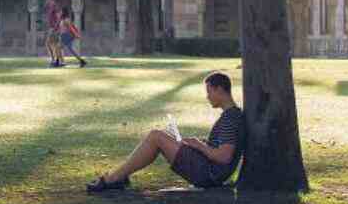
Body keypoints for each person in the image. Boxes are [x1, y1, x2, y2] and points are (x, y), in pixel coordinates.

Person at [86, 72, 244, 192]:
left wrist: (199, 145)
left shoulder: (230, 118)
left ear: (220, 89)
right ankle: (119, 177)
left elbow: (224, 157)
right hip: (208, 169)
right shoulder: (232, 115)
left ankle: (113, 179)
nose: (207, 97)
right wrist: (198, 144)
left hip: (208, 174)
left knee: (156, 136)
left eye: (209, 91)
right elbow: (221, 149)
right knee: (160, 136)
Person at [44, 0, 64, 67]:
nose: (45, 1)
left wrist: (56, 27)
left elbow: (60, 15)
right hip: (52, 28)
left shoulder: (54, 5)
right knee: (54, 45)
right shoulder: (50, 7)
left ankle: (55, 60)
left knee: (50, 43)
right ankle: (58, 61)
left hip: (54, 28)